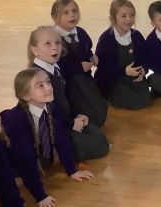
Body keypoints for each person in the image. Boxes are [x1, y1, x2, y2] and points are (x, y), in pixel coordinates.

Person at [0, 68, 94, 207]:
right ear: (25, 95)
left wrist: (71, 170)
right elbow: (25, 159)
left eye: (48, 82)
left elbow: (61, 140)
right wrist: (40, 196)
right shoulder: (18, 121)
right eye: (40, 86)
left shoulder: (52, 108)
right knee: (14, 178)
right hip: (11, 158)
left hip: (32, 152)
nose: (49, 88)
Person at [28, 26, 109, 162]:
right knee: (97, 144)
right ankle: (56, 153)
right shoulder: (37, 77)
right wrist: (71, 123)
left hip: (64, 119)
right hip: (52, 127)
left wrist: (77, 114)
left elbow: (65, 97)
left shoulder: (56, 67)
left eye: (58, 43)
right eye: (48, 44)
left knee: (97, 135)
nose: (55, 48)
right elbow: (50, 112)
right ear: (35, 50)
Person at [51, 0, 108, 127]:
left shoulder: (81, 33)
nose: (72, 15)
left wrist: (91, 57)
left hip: (86, 80)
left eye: (74, 11)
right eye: (66, 13)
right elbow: (57, 68)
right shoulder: (54, 39)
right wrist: (79, 67)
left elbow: (87, 50)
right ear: (55, 17)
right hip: (68, 85)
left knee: (96, 104)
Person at [95, 0, 153, 109]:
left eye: (132, 15)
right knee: (135, 102)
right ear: (113, 18)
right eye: (123, 16)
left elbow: (144, 57)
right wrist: (124, 71)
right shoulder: (107, 39)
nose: (128, 19)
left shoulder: (136, 36)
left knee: (147, 99)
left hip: (132, 78)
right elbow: (103, 67)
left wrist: (143, 71)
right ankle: (107, 96)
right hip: (113, 80)